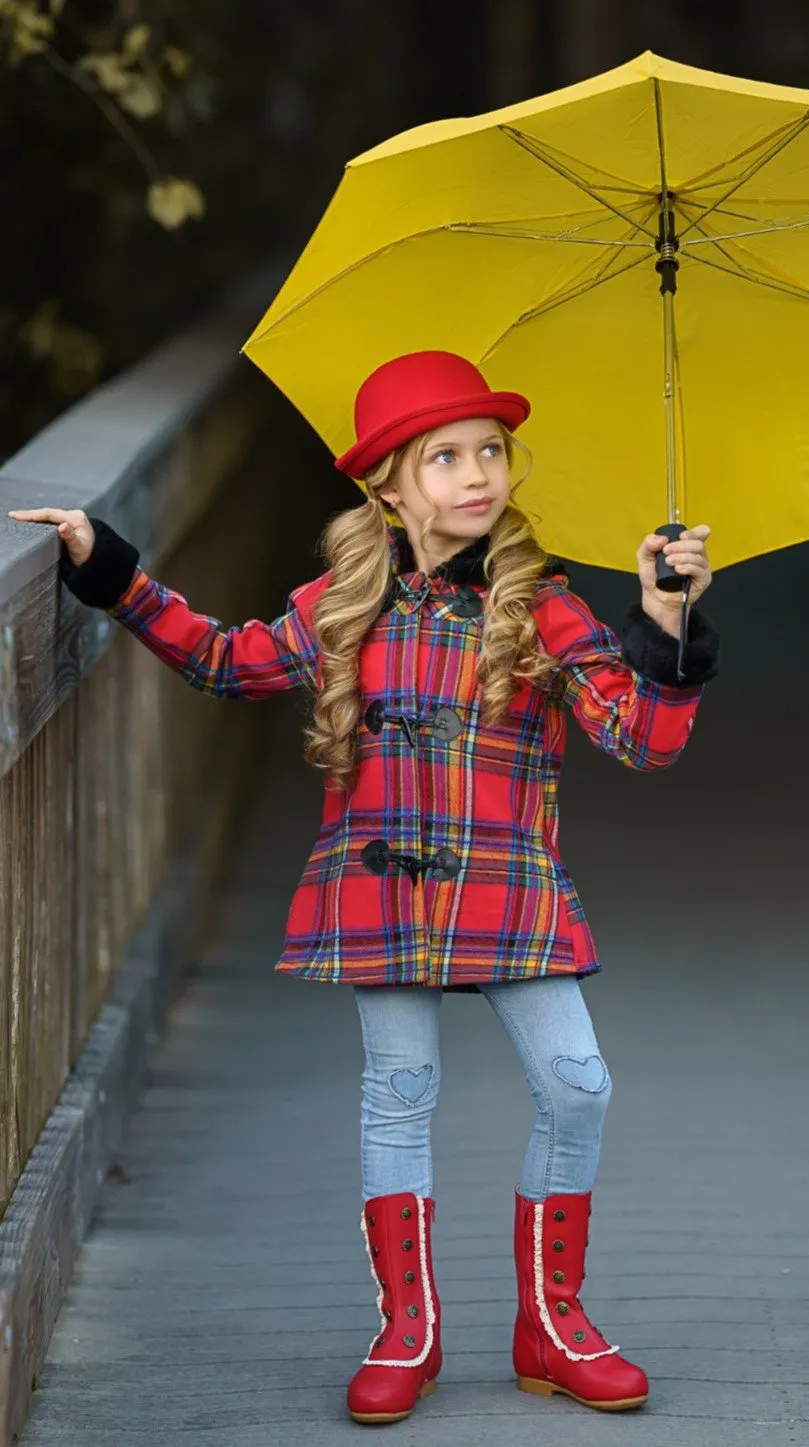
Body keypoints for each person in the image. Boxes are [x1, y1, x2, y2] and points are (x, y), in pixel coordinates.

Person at [9, 349, 719, 1426]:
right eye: (445, 457)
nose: (477, 475)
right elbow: (226, 658)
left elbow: (643, 742)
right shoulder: (347, 604)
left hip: (507, 883)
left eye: (491, 451)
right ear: (388, 484)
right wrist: (112, 574)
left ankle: (553, 1321)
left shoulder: (546, 607)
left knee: (578, 1083)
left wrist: (666, 631)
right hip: (382, 886)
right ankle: (408, 1327)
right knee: (399, 1095)